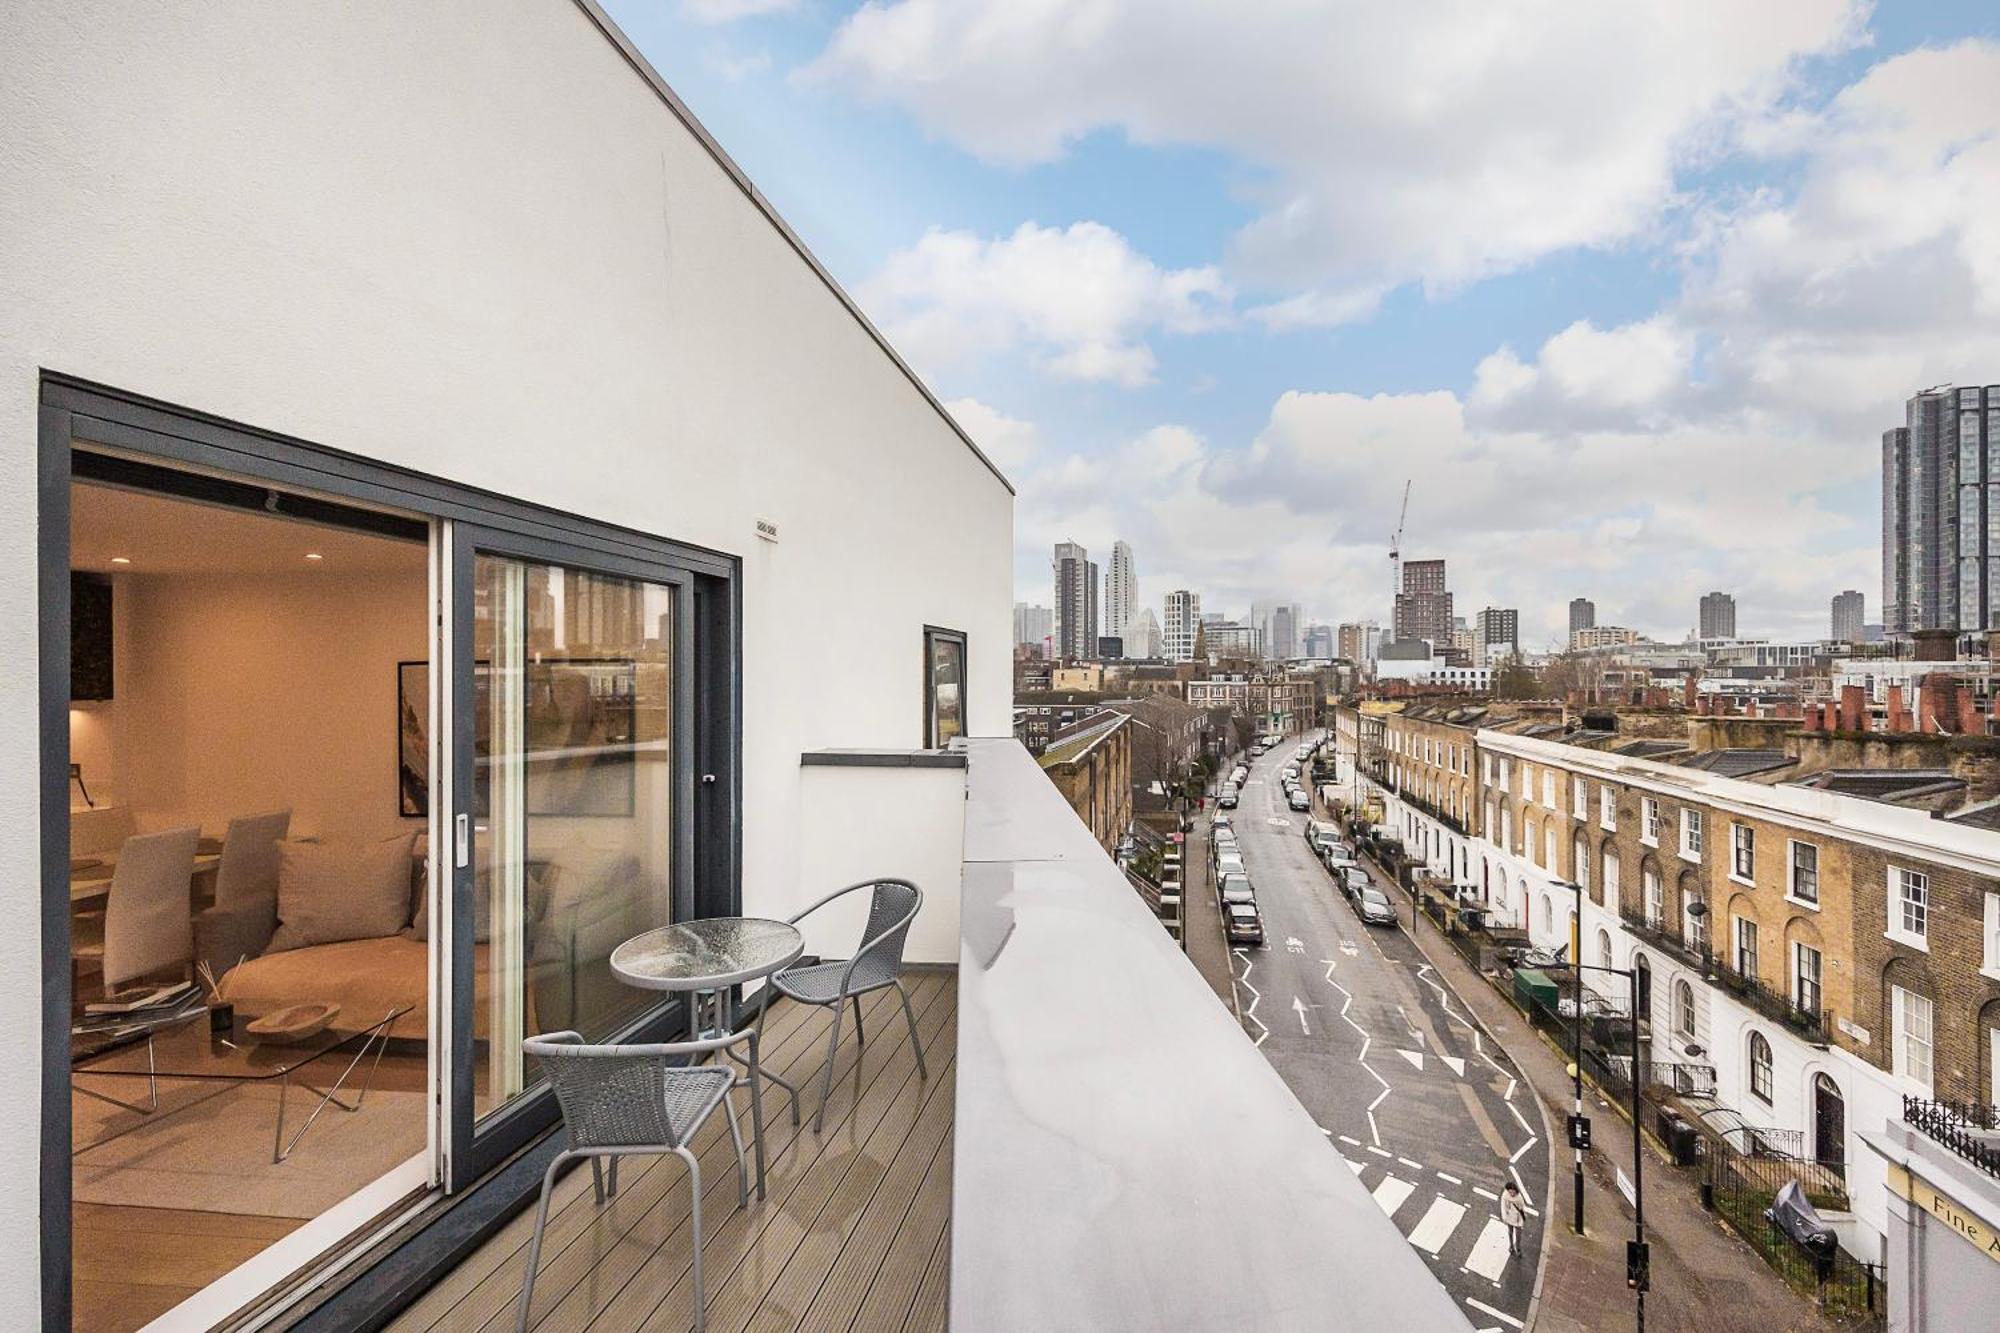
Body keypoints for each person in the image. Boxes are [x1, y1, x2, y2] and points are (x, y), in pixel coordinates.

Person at [1499, 1180, 1526, 1257]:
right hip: (1509, 1217)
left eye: (1513, 1192)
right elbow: (1503, 1207)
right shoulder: (1505, 1196)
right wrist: (1504, 1217)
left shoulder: (1519, 1198)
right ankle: (1511, 1246)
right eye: (1510, 1192)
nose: (1512, 1194)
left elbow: (1521, 1207)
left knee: (1518, 1234)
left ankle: (1518, 1247)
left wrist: (1522, 1218)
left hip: (1517, 1218)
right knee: (1510, 1232)